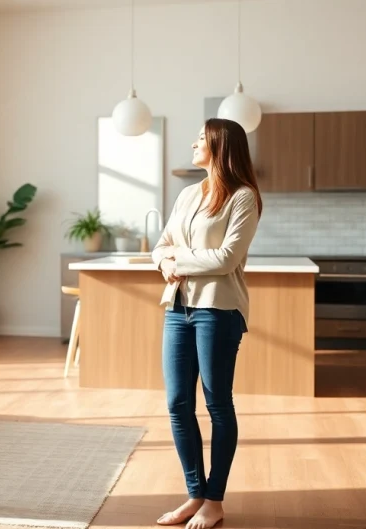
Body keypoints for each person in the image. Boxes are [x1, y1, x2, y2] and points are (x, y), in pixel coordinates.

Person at [151, 118, 262, 529]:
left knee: (217, 403)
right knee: (178, 403)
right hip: (177, 308)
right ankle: (195, 493)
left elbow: (227, 258)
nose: (194, 143)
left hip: (219, 310)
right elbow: (162, 245)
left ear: (220, 146)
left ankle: (214, 500)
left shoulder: (243, 197)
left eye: (201, 138)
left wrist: (177, 260)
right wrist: (164, 259)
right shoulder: (187, 195)